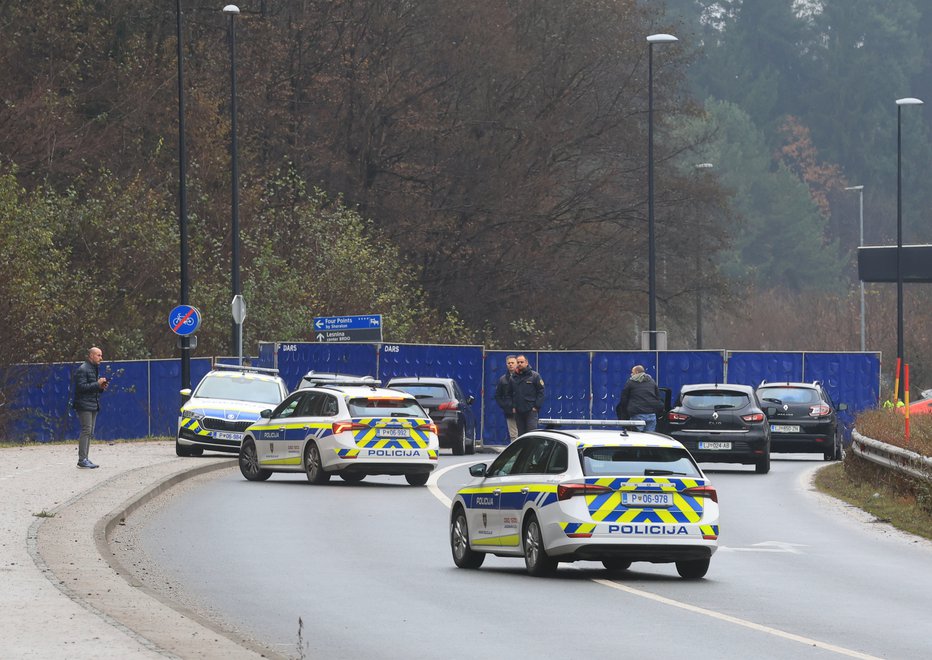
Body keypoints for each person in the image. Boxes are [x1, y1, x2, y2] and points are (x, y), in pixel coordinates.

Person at [73, 347, 109, 468]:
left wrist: (101, 387)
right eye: (98, 355)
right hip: (84, 404)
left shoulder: (93, 368)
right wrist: (97, 383)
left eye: (101, 355)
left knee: (90, 432)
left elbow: (92, 388)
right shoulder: (83, 369)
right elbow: (81, 387)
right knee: (86, 430)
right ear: (91, 356)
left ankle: (86, 458)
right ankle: (82, 460)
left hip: (93, 403)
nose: (101, 358)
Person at [616, 364, 662, 432]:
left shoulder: (631, 382)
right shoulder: (652, 381)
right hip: (651, 414)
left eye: (632, 372)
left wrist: (624, 412)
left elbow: (624, 399)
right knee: (650, 438)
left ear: (637, 372)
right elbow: (658, 397)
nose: (631, 374)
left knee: (637, 438)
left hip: (637, 415)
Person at [511, 354, 545, 436]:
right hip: (518, 411)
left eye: (521, 362)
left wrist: (536, 406)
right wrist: (513, 406)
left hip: (531, 410)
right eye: (518, 362)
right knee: (521, 435)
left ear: (526, 363)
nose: (519, 364)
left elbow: (541, 391)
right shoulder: (514, 377)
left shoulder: (534, 376)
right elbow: (510, 393)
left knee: (532, 434)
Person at [494, 355, 518, 443]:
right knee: (513, 434)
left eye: (512, 363)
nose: (510, 365)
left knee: (524, 433)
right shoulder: (503, 379)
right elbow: (497, 395)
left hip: (523, 409)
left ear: (516, 363)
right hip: (510, 411)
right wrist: (505, 405)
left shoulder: (524, 377)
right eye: (509, 363)